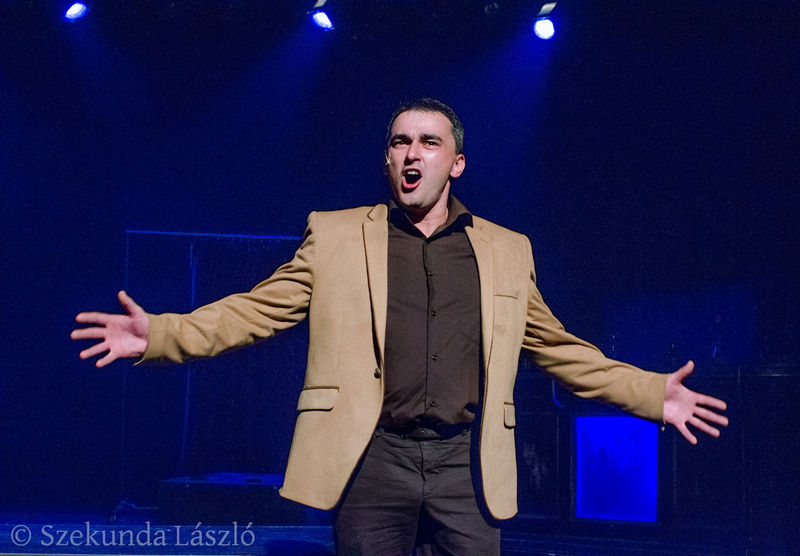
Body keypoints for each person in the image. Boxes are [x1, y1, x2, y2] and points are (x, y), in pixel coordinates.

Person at [71, 98, 728, 555]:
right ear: (388, 160)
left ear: (456, 163)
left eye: (429, 142)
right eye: (399, 142)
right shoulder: (335, 236)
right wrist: (161, 334)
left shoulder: (506, 249)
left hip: (466, 464)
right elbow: (255, 309)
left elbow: (558, 348)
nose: (412, 153)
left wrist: (651, 393)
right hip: (373, 458)